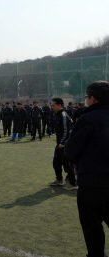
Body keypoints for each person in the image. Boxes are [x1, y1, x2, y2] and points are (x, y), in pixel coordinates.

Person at [65, 81, 109, 257]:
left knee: (92, 227)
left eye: (87, 97)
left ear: (93, 99)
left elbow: (70, 151)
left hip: (93, 183)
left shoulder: (87, 119)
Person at [48, 97, 76, 189]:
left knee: (67, 165)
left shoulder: (63, 115)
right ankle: (59, 180)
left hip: (64, 144)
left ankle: (73, 184)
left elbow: (66, 130)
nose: (52, 107)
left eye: (53, 105)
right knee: (56, 162)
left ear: (59, 105)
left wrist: (62, 142)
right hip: (59, 144)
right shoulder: (58, 114)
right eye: (51, 105)